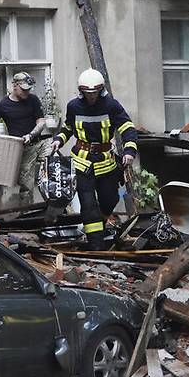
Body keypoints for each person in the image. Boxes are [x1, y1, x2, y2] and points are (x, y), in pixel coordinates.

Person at [51, 68, 138, 250]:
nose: (91, 97)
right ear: (81, 91)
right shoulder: (74, 106)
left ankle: (100, 227)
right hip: (82, 163)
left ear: (101, 90)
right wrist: (58, 140)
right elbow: (68, 127)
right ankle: (96, 248)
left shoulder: (112, 106)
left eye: (94, 93)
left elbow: (127, 128)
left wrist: (129, 151)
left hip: (106, 162)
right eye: (87, 93)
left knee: (110, 200)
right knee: (88, 206)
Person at [0, 72, 51, 205]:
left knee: (54, 170)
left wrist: (31, 135)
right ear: (14, 86)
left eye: (29, 89)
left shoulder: (33, 100)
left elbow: (41, 122)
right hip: (23, 149)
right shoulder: (2, 106)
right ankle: (27, 214)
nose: (27, 92)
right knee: (26, 185)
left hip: (40, 143)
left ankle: (58, 207)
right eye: (24, 89)